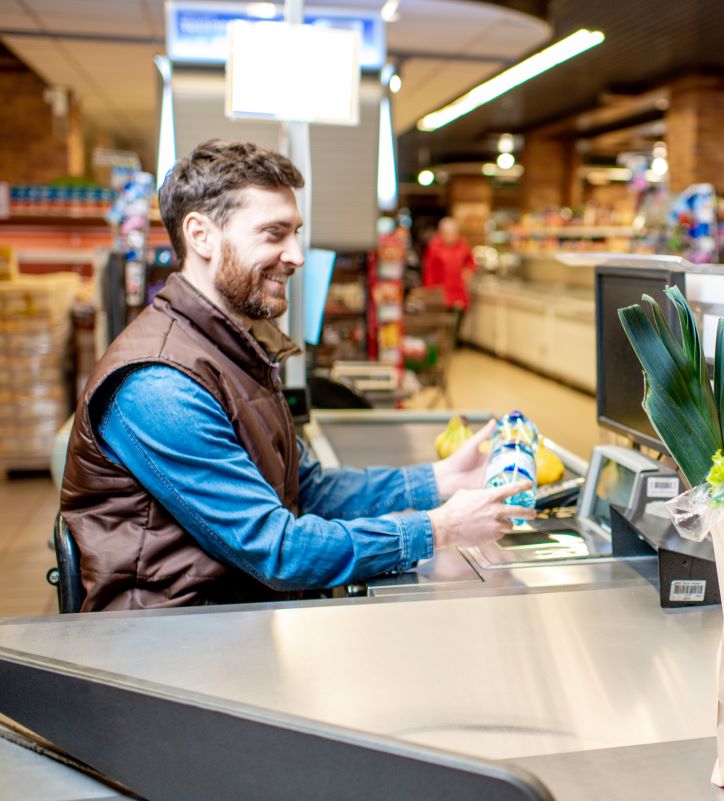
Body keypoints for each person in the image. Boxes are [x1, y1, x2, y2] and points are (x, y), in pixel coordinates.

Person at [60, 140, 527, 611]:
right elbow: (278, 551)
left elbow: (307, 490)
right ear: (201, 235)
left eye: (295, 233)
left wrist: (439, 479)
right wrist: (439, 528)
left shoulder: (232, 352)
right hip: (172, 648)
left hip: (233, 618)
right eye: (273, 233)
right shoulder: (159, 384)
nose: (297, 255)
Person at [421, 216, 476, 333]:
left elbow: (470, 262)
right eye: (448, 233)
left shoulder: (462, 245)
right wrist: (430, 289)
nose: (451, 236)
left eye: (453, 233)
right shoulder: (434, 246)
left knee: (458, 316)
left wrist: (469, 270)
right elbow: (429, 270)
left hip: (458, 288)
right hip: (441, 290)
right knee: (442, 320)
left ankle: (454, 339)